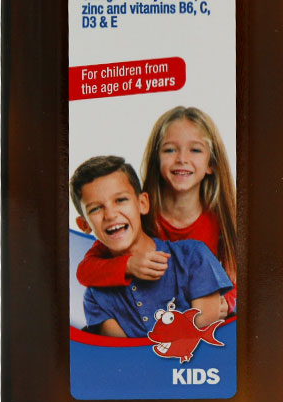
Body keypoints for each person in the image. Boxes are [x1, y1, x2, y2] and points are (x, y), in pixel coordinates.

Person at [75, 107, 238, 313]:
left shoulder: (222, 219)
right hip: (151, 318)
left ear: (211, 164)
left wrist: (228, 302)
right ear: (156, 159)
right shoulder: (138, 213)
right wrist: (128, 265)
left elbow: (240, 277)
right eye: (170, 150)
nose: (182, 159)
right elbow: (85, 270)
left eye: (195, 150)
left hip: (198, 317)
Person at [70, 155, 232, 338]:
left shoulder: (193, 256)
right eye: (95, 209)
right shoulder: (96, 297)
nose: (110, 215)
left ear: (143, 204)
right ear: (84, 225)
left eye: (120, 200)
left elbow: (204, 336)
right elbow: (124, 352)